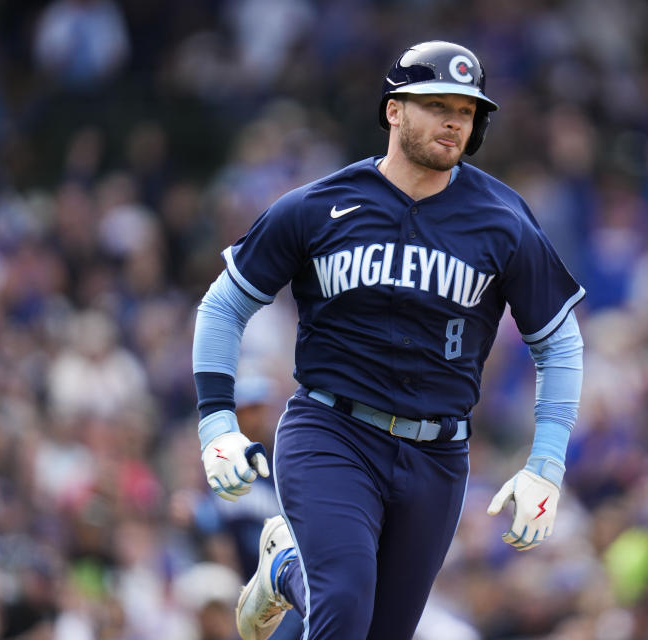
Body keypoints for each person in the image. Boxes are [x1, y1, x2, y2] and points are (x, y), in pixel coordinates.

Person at [192, 40, 586, 640]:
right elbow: (225, 303)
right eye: (437, 104)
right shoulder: (319, 206)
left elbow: (558, 344)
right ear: (394, 110)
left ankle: (285, 570)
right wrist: (216, 424)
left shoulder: (504, 220)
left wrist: (546, 464)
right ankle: (294, 571)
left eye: (467, 109)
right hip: (333, 431)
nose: (455, 120)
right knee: (344, 605)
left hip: (437, 455)